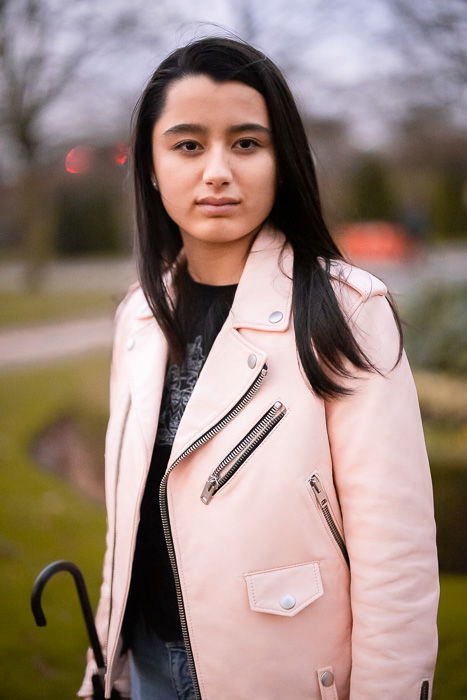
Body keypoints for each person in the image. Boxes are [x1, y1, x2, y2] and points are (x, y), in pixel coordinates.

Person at [78, 36, 439, 700]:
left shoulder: (345, 310)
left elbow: (397, 555)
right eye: (188, 145)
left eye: (246, 143)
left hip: (282, 676)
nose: (217, 170)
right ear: (153, 168)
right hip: (145, 665)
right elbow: (126, 516)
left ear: (283, 161)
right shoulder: (137, 315)